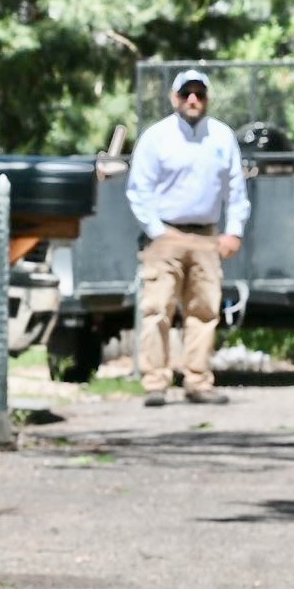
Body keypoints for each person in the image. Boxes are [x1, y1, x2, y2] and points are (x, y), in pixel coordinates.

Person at [126, 69, 250, 407]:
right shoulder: (157, 137)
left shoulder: (222, 136)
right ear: (174, 98)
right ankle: (156, 382)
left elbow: (236, 189)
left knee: (206, 310)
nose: (193, 99)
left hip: (207, 236)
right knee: (157, 308)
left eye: (199, 93)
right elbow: (138, 190)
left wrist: (233, 231)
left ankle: (197, 380)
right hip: (166, 234)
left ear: (208, 98)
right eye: (186, 93)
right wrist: (156, 231)